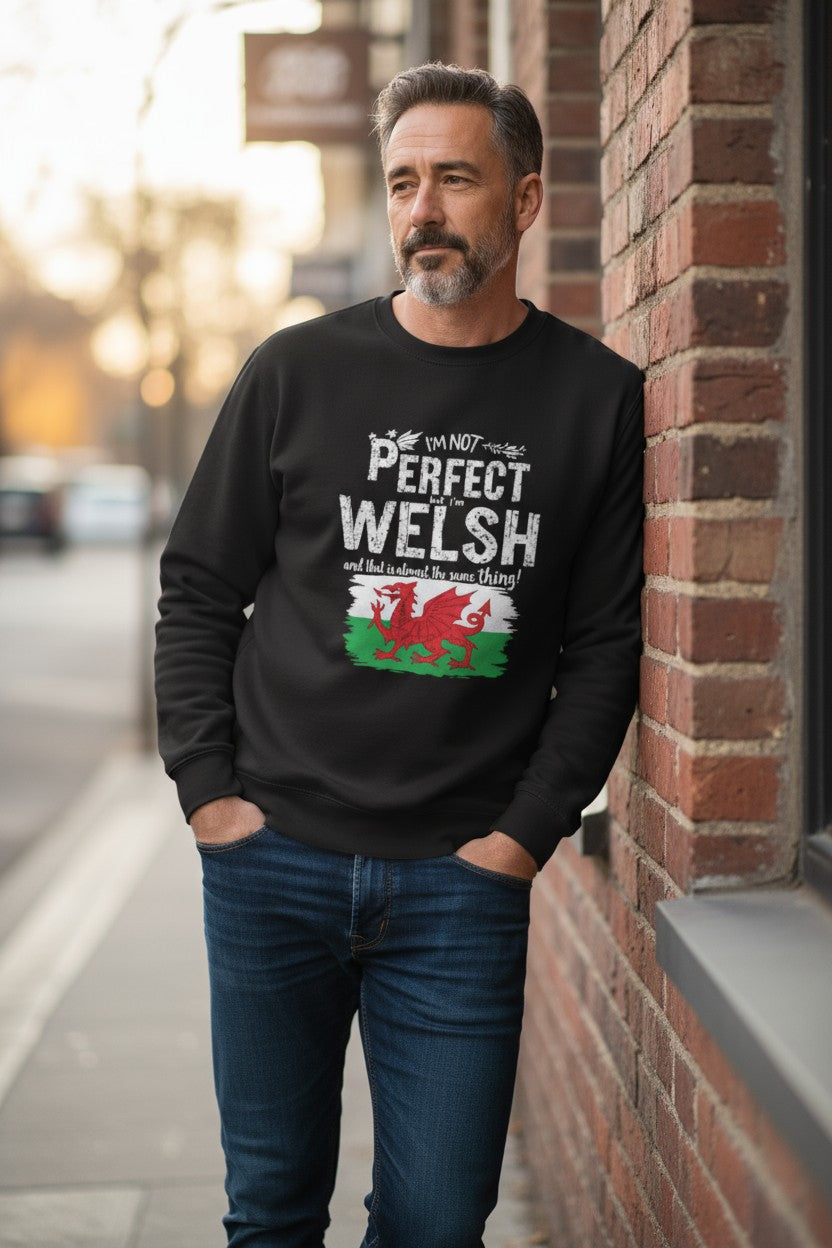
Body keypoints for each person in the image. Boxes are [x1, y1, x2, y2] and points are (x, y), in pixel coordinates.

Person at [154, 62, 643, 1248]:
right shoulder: (297, 372)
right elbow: (200, 590)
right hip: (274, 864)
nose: (422, 208)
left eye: (455, 179)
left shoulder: (598, 401)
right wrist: (210, 794)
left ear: (524, 201)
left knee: (435, 1221)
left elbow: (608, 643)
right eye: (403, 181)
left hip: (458, 884)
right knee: (269, 1210)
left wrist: (520, 838)